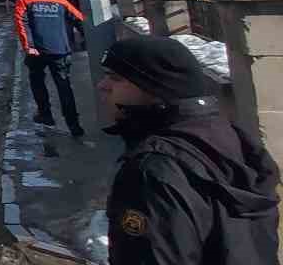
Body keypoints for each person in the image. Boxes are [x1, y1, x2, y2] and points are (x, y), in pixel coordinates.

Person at [100, 36, 280, 264]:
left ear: (153, 87)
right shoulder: (227, 135)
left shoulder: (152, 170)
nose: (102, 86)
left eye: (115, 78)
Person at [12, 0, 88, 137]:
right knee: (64, 86)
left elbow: (21, 24)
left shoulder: (24, 0)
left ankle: (45, 115)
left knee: (37, 81)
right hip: (60, 50)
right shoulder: (59, 1)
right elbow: (79, 19)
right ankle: (74, 125)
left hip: (37, 52)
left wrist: (28, 46)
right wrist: (85, 40)